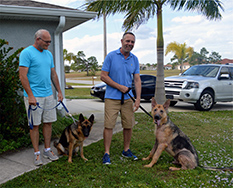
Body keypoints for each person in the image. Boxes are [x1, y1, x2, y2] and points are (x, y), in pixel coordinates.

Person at [19, 29, 63, 166]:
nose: (49, 44)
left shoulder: (48, 54)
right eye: (46, 41)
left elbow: (53, 74)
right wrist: (30, 95)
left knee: (48, 123)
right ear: (38, 39)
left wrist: (59, 92)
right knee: (35, 126)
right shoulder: (27, 53)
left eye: (50, 41)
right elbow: (22, 76)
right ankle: (37, 154)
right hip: (34, 97)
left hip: (48, 94)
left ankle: (47, 150)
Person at [101, 32, 141, 164]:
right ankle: (106, 153)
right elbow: (103, 76)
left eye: (132, 42)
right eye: (128, 41)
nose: (130, 44)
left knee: (128, 125)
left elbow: (137, 80)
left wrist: (138, 99)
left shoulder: (134, 59)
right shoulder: (111, 56)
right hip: (112, 98)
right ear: (122, 41)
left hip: (128, 98)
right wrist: (120, 87)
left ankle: (126, 150)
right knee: (109, 125)